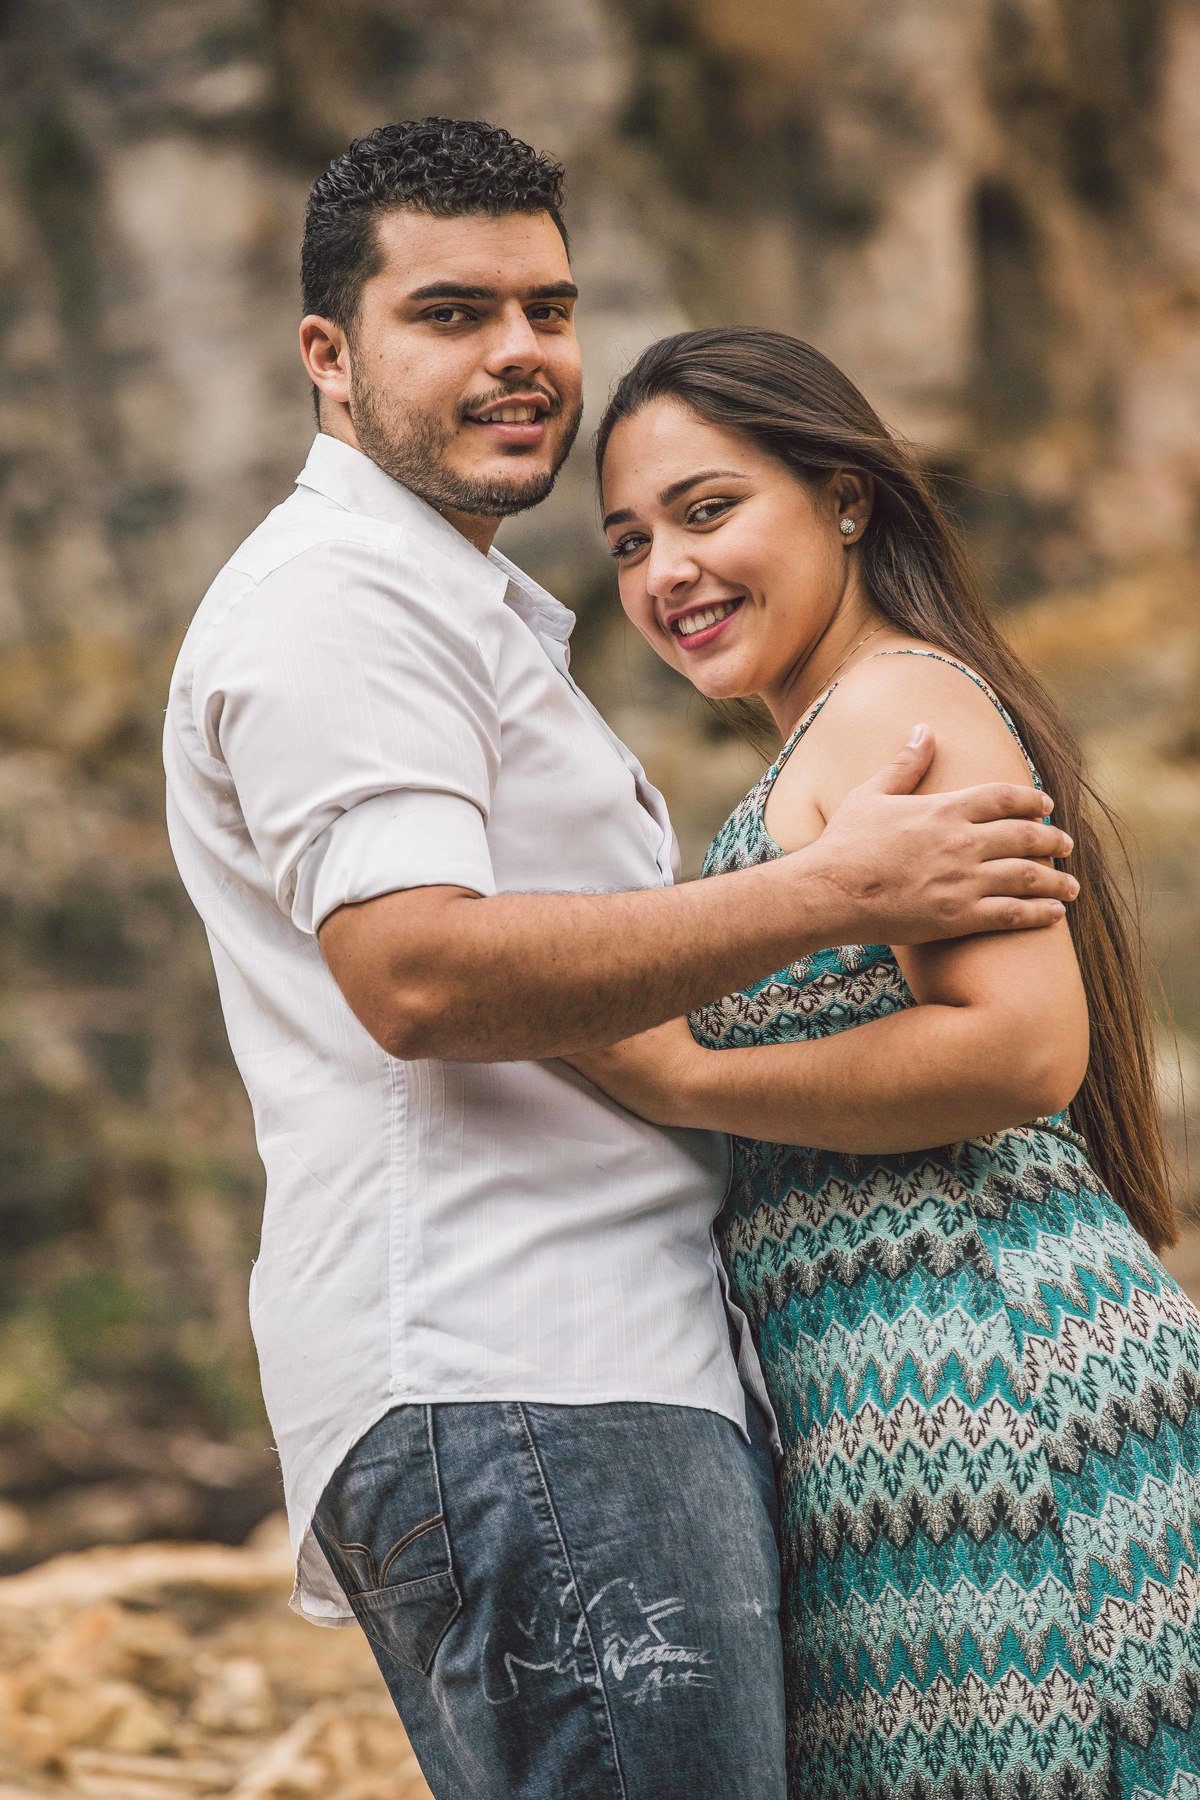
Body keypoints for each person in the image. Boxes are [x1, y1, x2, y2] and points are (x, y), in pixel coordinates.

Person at [163, 122, 1077, 1799]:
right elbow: (418, 974)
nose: (520, 352)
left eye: (547, 307)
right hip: (525, 1368)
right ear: (330, 357)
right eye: (451, 312)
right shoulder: (342, 603)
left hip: (599, 1378)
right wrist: (824, 898)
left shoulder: (457, 615)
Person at [575, 325, 1200, 1799]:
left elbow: (1023, 1048)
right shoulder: (830, 743)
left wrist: (690, 1081)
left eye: (708, 510)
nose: (668, 571)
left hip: (992, 1386)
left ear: (846, 500)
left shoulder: (896, 708)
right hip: (895, 1414)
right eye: (627, 541)